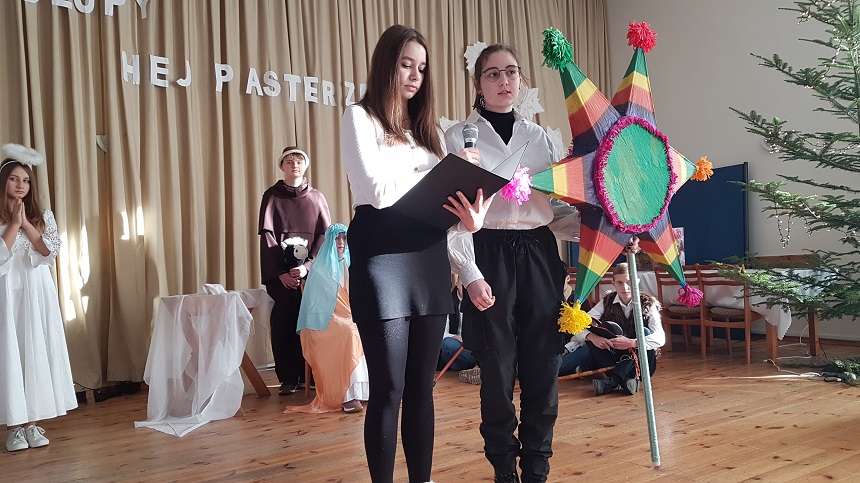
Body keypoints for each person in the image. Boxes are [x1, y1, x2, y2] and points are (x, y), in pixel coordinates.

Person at [340, 24, 492, 483]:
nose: (414, 76)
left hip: (428, 257)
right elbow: (375, 190)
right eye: (406, 64)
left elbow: (439, 208)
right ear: (386, 65)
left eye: (422, 68)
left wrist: (469, 219)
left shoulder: (428, 134)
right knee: (388, 389)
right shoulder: (359, 117)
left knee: (422, 388)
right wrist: (438, 174)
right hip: (381, 258)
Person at [446, 45, 579, 483]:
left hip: (539, 253)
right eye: (492, 74)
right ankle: (504, 469)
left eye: (511, 72)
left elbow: (555, 211)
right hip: (487, 251)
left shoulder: (540, 138)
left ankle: (537, 467)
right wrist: (470, 274)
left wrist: (604, 230)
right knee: (497, 367)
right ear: (478, 84)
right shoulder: (459, 138)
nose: (504, 81)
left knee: (545, 364)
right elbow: (452, 216)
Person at [0, 144, 77, 452]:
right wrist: (13, 224)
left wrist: (25, 223)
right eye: (14, 179)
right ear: (3, 181)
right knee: (11, 351)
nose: (21, 185)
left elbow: (48, 250)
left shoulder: (43, 216)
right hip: (8, 296)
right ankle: (14, 427)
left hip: (37, 294)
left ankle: (32, 423)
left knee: (34, 351)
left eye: (26, 180)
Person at [258, 146, 331, 395]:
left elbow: (324, 236)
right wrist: (280, 273)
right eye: (289, 162)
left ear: (305, 165)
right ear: (282, 167)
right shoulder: (271, 196)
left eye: (299, 161)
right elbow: (267, 238)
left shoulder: (317, 197)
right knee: (284, 322)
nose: (294, 165)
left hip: (311, 274)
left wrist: (308, 266)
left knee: (313, 325)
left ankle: (313, 375)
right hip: (282, 277)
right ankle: (288, 377)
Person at [286, 223, 369, 414]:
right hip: (323, 321)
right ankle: (347, 395)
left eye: (344, 238)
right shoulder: (320, 269)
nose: (341, 242)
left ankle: (369, 390)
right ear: (329, 240)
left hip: (350, 316)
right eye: (336, 238)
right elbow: (316, 304)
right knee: (349, 331)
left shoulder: (352, 264)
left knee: (368, 329)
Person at [572, 262, 665, 396]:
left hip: (643, 365)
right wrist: (593, 337)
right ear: (613, 283)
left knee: (644, 332)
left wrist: (632, 343)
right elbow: (579, 324)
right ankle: (627, 382)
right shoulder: (607, 301)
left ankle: (612, 382)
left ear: (637, 282)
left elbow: (660, 338)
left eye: (629, 282)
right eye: (619, 283)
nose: (625, 287)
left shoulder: (647, 303)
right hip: (614, 360)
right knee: (592, 339)